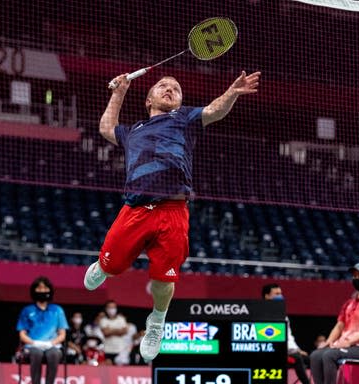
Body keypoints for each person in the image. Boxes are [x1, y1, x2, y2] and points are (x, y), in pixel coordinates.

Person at [84, 70, 261, 362]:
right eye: (163, 86)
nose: (170, 88)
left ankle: (157, 320)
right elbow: (106, 128)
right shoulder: (134, 131)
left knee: (163, 279)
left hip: (173, 210)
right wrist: (119, 92)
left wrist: (231, 93)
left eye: (176, 88)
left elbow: (214, 111)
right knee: (111, 266)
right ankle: (103, 265)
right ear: (148, 99)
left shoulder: (185, 120)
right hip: (135, 209)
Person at [16, 276, 68, 384]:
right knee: (36, 353)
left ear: (49, 290)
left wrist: (51, 343)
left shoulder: (57, 310)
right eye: (39, 288)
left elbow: (62, 334)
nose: (42, 290)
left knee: (54, 354)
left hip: (52, 346)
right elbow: (22, 334)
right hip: (32, 347)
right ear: (34, 291)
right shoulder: (27, 310)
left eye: (45, 288)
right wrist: (34, 343)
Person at [262, 283, 314, 384]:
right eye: (277, 294)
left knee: (311, 358)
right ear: (267, 296)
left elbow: (288, 336)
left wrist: (297, 349)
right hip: (269, 353)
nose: (280, 296)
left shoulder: (282, 314)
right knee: (296, 358)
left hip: (286, 352)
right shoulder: (260, 313)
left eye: (281, 294)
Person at [99, 300, 129, 365]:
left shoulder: (121, 319)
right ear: (106, 309)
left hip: (120, 350)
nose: (112, 309)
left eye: (113, 307)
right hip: (107, 350)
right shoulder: (103, 320)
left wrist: (111, 330)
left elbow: (124, 331)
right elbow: (106, 333)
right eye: (110, 307)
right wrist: (118, 330)